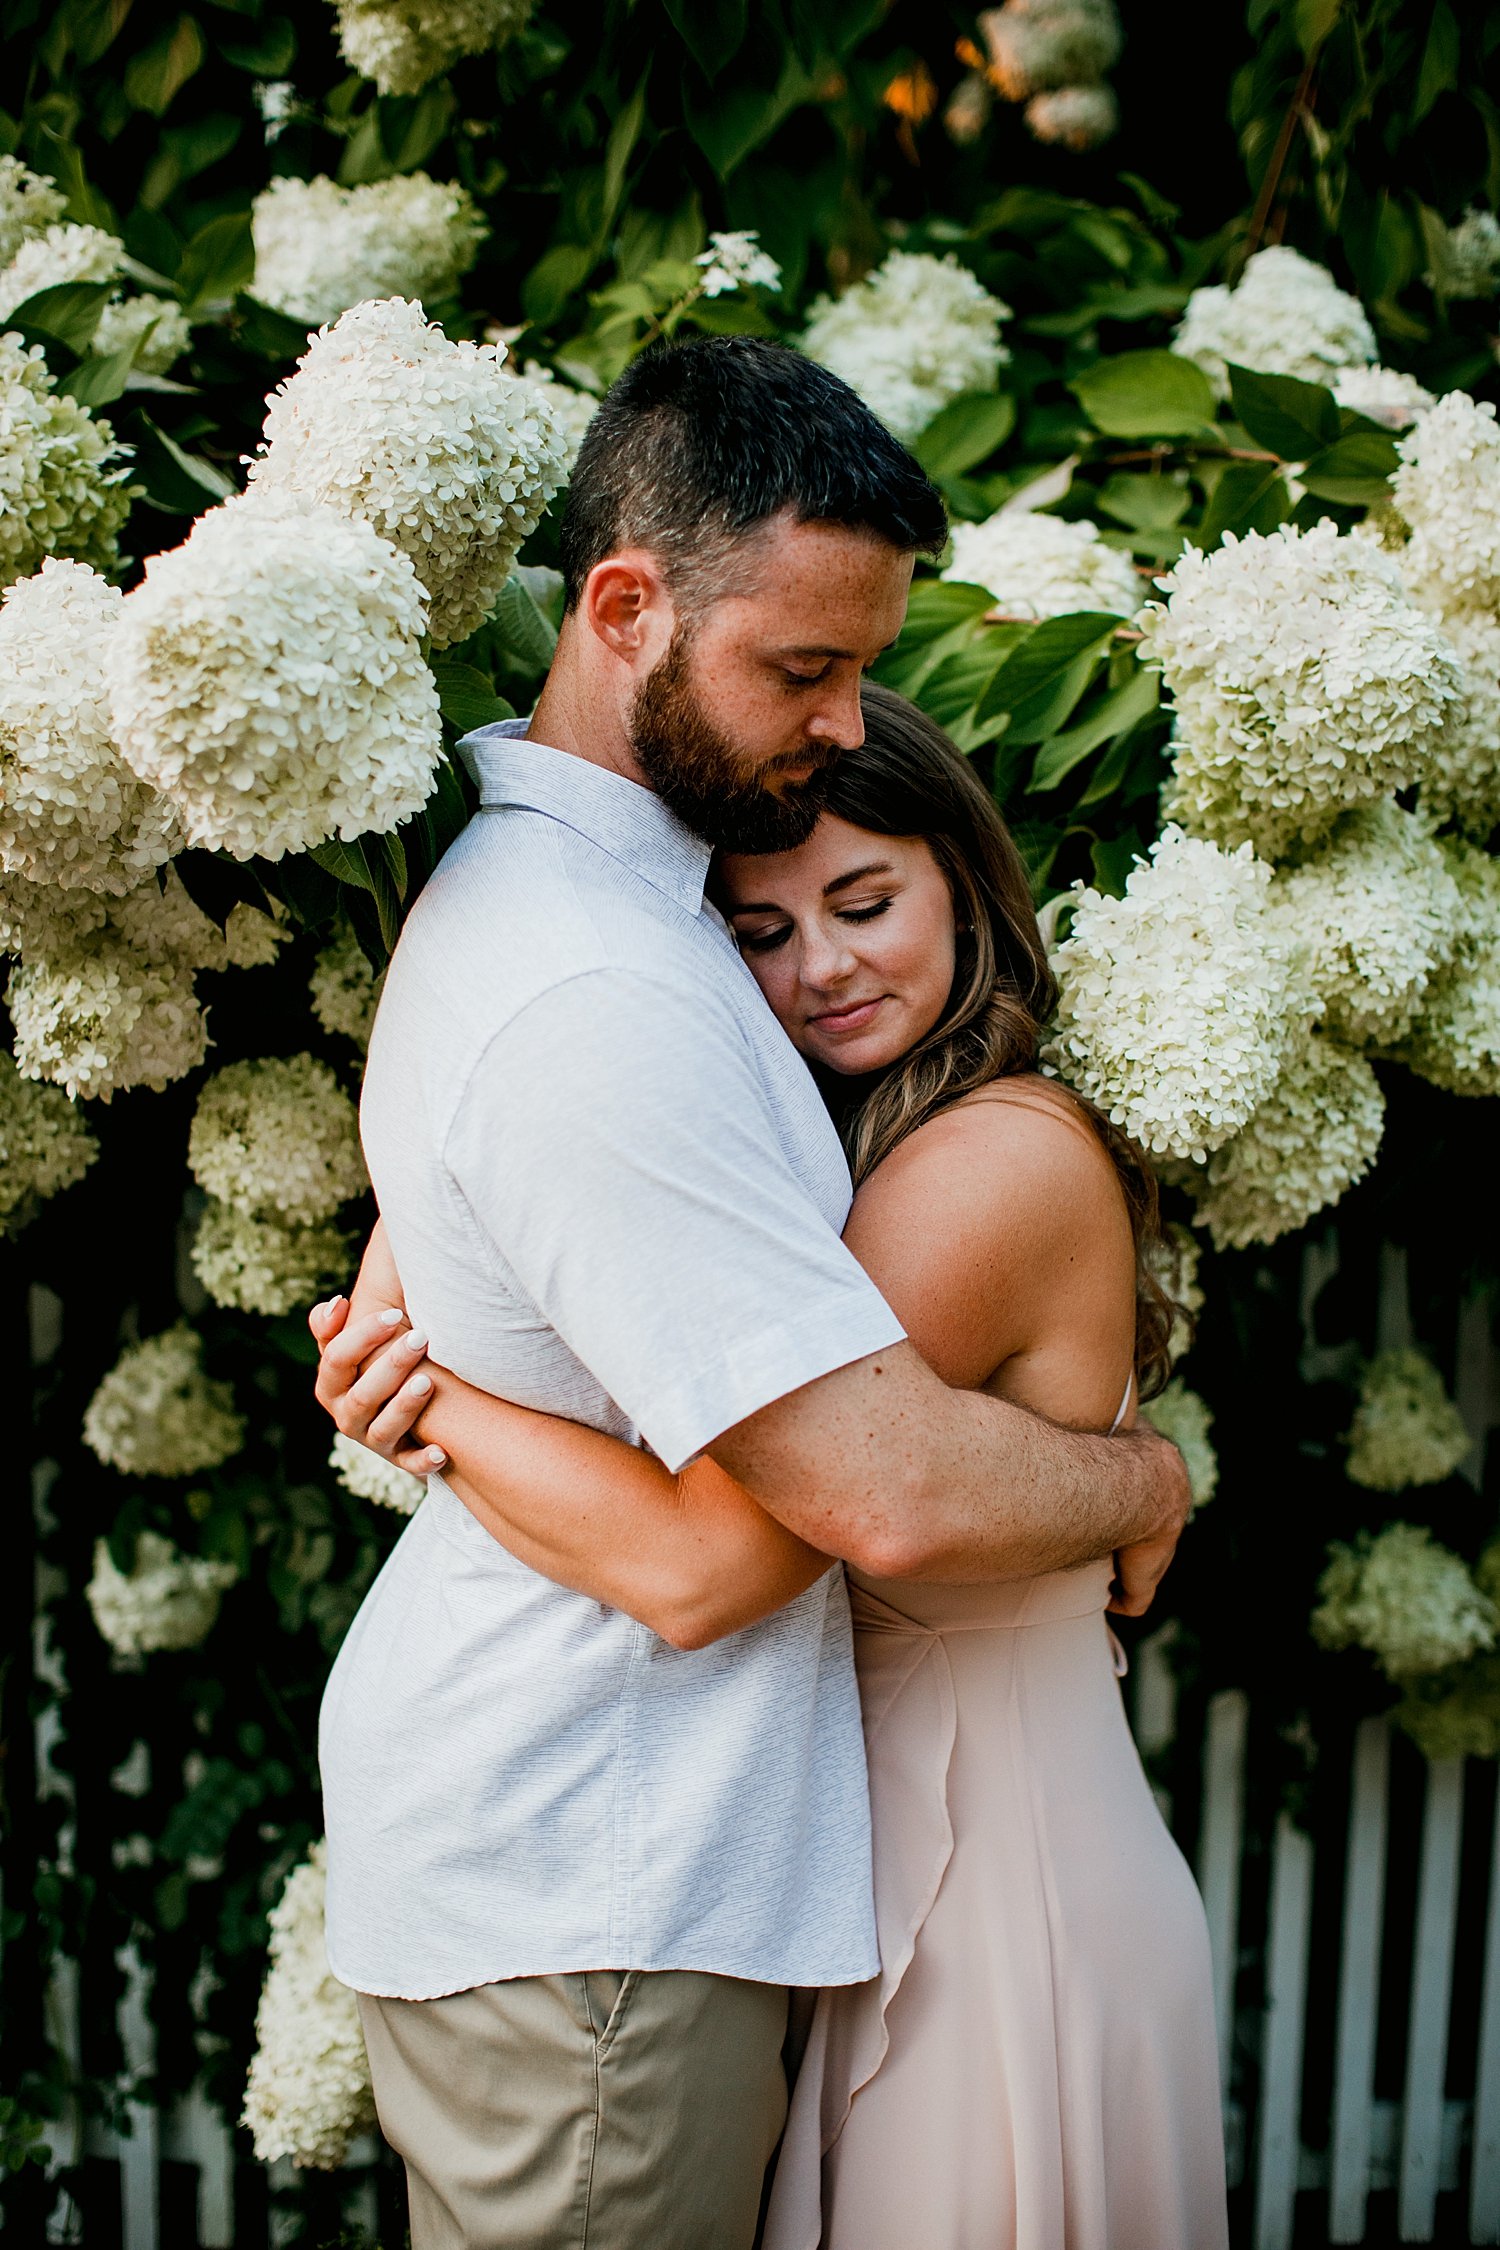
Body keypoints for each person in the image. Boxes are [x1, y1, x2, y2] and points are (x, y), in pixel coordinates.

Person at [313, 333, 1192, 2250]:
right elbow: (837, 1507)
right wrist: (1142, 1483)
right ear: (624, 605)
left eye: (862, 668)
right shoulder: (601, 980)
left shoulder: (620, 925)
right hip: (595, 1874)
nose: (840, 718)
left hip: (630, 1869)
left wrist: (439, 1377)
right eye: (803, 668)